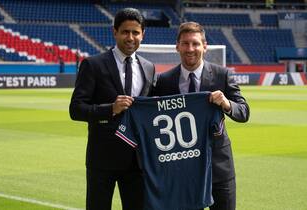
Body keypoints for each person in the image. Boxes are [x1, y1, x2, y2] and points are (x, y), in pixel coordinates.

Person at [153, 21, 250, 210]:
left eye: (195, 43)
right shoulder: (164, 81)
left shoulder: (222, 75)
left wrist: (226, 104)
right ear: (177, 47)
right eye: (185, 43)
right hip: (182, 170)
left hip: (219, 167)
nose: (190, 49)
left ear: (204, 46)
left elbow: (244, 112)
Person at [69, 8, 155, 210]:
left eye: (136, 32)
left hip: (137, 161)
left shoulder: (149, 67)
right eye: (125, 32)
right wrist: (110, 109)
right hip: (103, 159)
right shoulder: (93, 64)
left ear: (143, 34)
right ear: (114, 32)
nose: (130, 37)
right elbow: (76, 109)